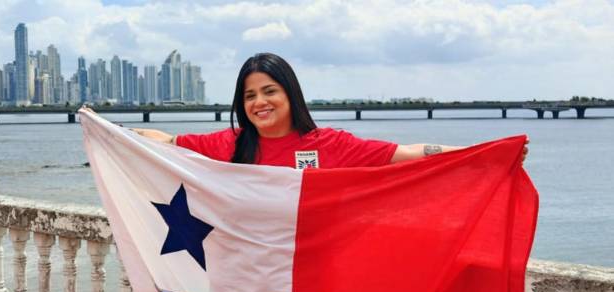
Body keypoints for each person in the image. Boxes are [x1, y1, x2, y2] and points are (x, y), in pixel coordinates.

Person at [129, 52, 527, 168]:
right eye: (249, 96)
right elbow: (165, 140)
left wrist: (486, 153)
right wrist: (108, 132)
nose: (259, 102)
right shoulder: (229, 144)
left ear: (290, 95)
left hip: (311, 277)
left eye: (269, 91)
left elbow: (408, 154)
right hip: (249, 280)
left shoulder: (329, 145)